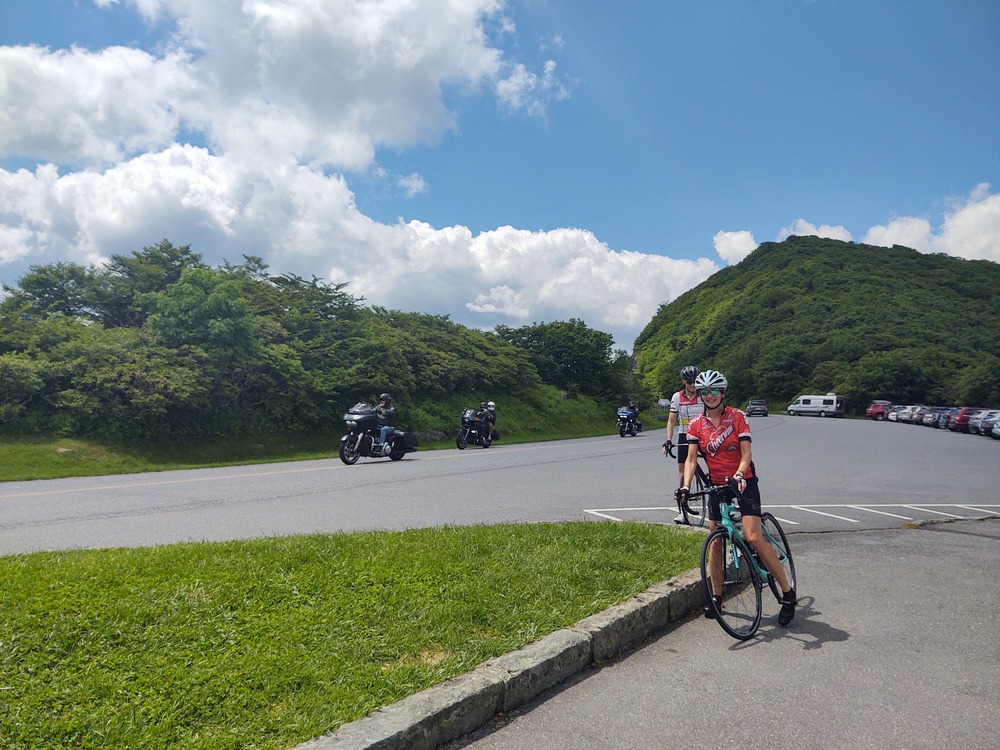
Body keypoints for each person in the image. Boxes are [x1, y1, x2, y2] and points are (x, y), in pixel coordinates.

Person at [678, 369, 797, 626]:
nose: (710, 395)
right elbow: (690, 459)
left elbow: (745, 453)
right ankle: (717, 597)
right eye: (705, 391)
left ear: (723, 392)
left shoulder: (738, 417)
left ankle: (788, 594)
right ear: (700, 394)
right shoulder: (696, 424)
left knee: (753, 537)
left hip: (744, 481)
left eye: (715, 390)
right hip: (717, 485)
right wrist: (685, 487)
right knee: (715, 541)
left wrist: (740, 474)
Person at [664, 366, 704, 524]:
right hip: (685, 435)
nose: (692, 385)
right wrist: (668, 440)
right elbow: (671, 420)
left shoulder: (705, 395)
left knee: (717, 468)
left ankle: (726, 505)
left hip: (704, 434)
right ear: (683, 382)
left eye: (695, 381)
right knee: (682, 474)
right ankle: (682, 510)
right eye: (689, 382)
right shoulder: (677, 397)